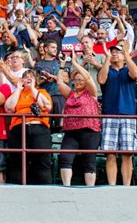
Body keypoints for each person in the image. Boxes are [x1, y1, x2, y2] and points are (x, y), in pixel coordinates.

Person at [55, 51, 101, 186]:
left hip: (89, 130)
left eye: (81, 80)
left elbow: (88, 78)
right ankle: (66, 186)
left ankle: (90, 188)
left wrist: (76, 63)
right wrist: (62, 66)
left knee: (89, 160)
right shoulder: (70, 93)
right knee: (65, 157)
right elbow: (59, 82)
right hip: (71, 130)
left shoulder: (91, 93)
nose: (78, 82)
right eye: (76, 80)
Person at [98, 43, 137, 185]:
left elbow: (136, 74)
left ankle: (126, 186)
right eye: (113, 51)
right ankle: (112, 186)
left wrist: (127, 55)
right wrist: (107, 58)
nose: (114, 53)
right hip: (109, 114)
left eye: (117, 51)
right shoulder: (107, 69)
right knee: (110, 154)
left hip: (128, 114)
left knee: (127, 154)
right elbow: (101, 80)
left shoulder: (128, 69)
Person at [4, 69, 53, 184]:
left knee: (42, 161)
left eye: (31, 77)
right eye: (26, 77)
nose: (29, 78)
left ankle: (46, 190)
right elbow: (9, 108)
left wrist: (32, 89)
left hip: (39, 128)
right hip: (19, 129)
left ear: (36, 80)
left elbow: (47, 106)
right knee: (17, 162)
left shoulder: (42, 91)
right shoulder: (17, 93)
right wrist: (19, 89)